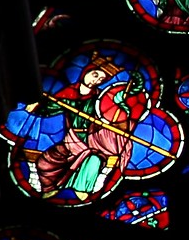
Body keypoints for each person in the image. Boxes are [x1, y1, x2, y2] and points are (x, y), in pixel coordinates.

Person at [20, 55, 150, 201]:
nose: (96, 80)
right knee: (45, 163)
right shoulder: (66, 95)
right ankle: (49, 188)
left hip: (92, 141)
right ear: (86, 71)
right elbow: (49, 109)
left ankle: (81, 190)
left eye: (101, 80)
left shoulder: (99, 100)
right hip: (71, 139)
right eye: (95, 75)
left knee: (93, 162)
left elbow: (114, 116)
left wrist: (121, 106)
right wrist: (38, 105)